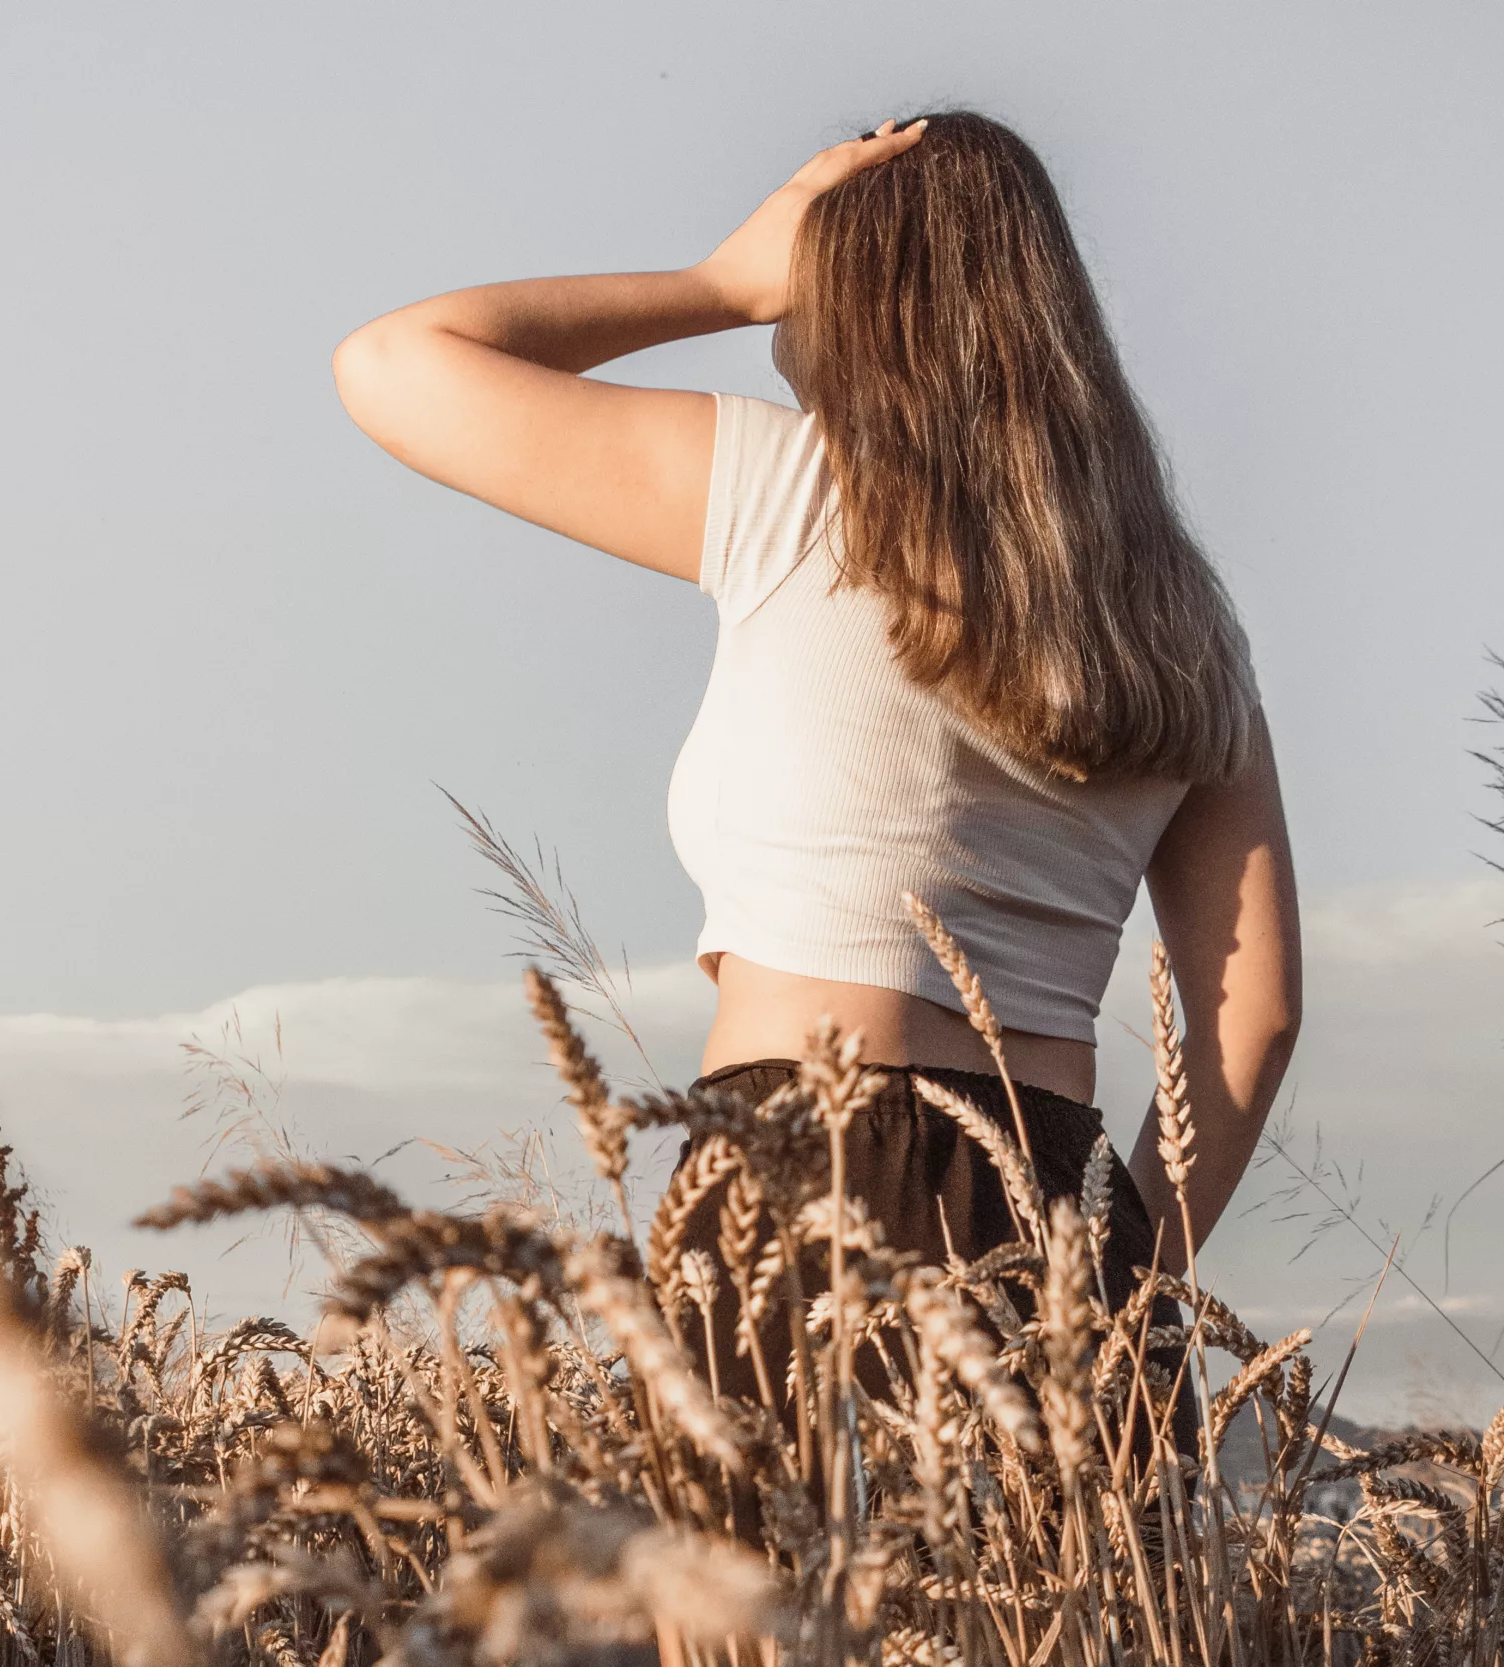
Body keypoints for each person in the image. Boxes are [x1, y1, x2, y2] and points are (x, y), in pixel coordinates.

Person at [332, 110, 1300, 1434]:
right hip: (1070, 1200)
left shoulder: (790, 490)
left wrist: (716, 284)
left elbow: (393, 364)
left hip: (809, 1167)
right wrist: (1133, 1272)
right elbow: (1256, 1009)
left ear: (845, 287)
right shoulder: (1177, 615)